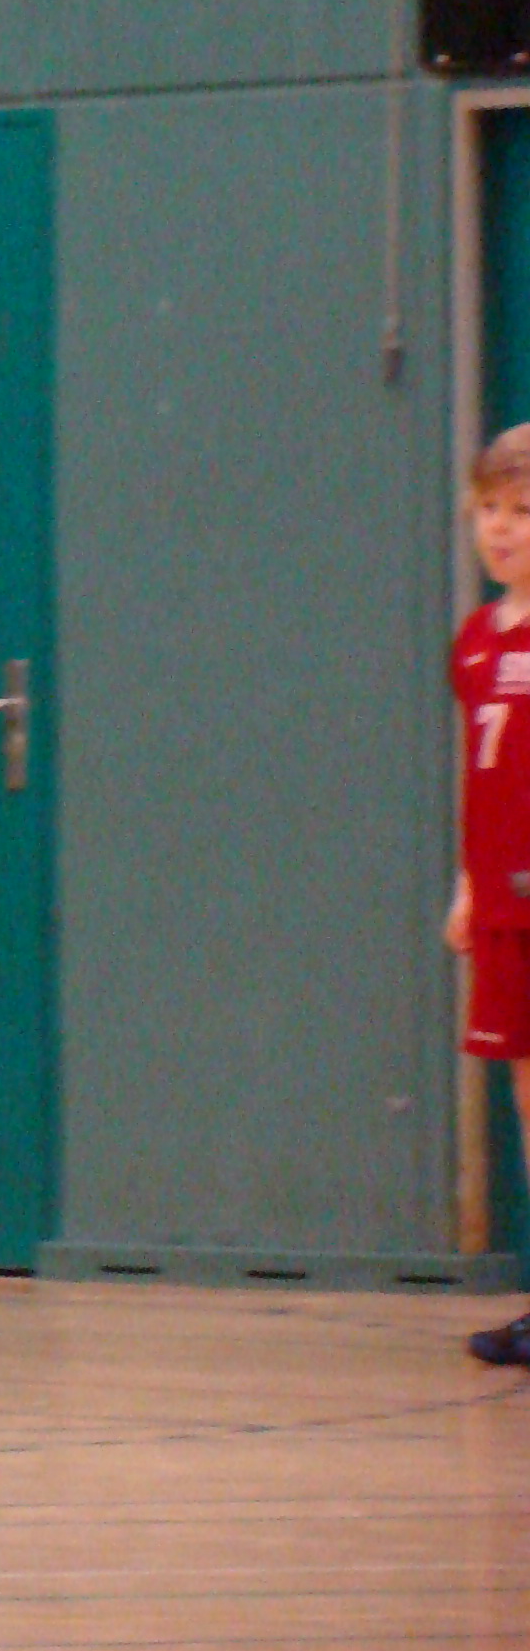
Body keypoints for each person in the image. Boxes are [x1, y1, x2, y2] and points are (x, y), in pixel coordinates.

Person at [454, 424, 530, 1367]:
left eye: (523, 510)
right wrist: (467, 886)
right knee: (525, 1095)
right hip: (504, 912)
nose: (502, 529)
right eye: (489, 510)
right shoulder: (476, 642)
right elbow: (484, 777)